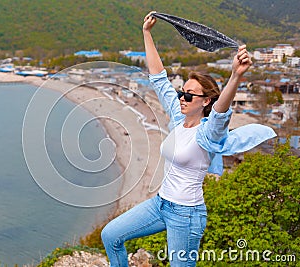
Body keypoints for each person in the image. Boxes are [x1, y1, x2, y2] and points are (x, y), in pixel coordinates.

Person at [101, 11, 276, 267]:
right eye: (182, 91)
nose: (182, 97)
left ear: (205, 101)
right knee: (111, 236)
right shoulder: (178, 117)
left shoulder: (208, 134)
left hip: (187, 215)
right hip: (161, 205)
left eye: (190, 95)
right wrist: (147, 34)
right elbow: (159, 79)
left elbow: (220, 114)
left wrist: (236, 75)